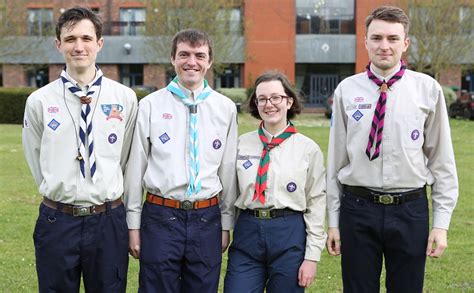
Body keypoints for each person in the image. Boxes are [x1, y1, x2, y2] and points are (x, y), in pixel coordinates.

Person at [326, 6, 459, 293]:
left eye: (392, 38)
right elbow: (335, 163)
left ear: (405, 43)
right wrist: (333, 223)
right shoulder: (346, 91)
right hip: (358, 209)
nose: (384, 46)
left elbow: (442, 162)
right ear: (365, 42)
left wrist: (441, 225)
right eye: (376, 38)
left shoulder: (428, 89)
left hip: (410, 209)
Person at [22, 6, 138, 293]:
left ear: (99, 43)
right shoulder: (39, 101)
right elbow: (36, 158)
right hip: (58, 220)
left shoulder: (125, 97)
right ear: (58, 45)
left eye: (86, 38)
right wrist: (63, 192)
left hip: (108, 220)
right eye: (71, 38)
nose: (79, 46)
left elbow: (126, 160)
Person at [124, 28, 238, 293]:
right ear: (172, 58)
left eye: (200, 55)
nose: (192, 62)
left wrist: (226, 223)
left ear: (210, 61)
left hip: (207, 218)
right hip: (161, 215)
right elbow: (135, 166)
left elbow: (228, 169)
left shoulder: (225, 108)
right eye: (184, 54)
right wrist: (133, 224)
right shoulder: (151, 105)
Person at [224, 71, 327, 292]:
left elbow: (317, 203)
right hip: (248, 232)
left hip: (289, 232)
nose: (269, 104)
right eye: (262, 99)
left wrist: (312, 257)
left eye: (276, 97)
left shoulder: (308, 149)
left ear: (289, 101)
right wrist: (224, 229)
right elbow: (229, 195)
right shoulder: (240, 145)